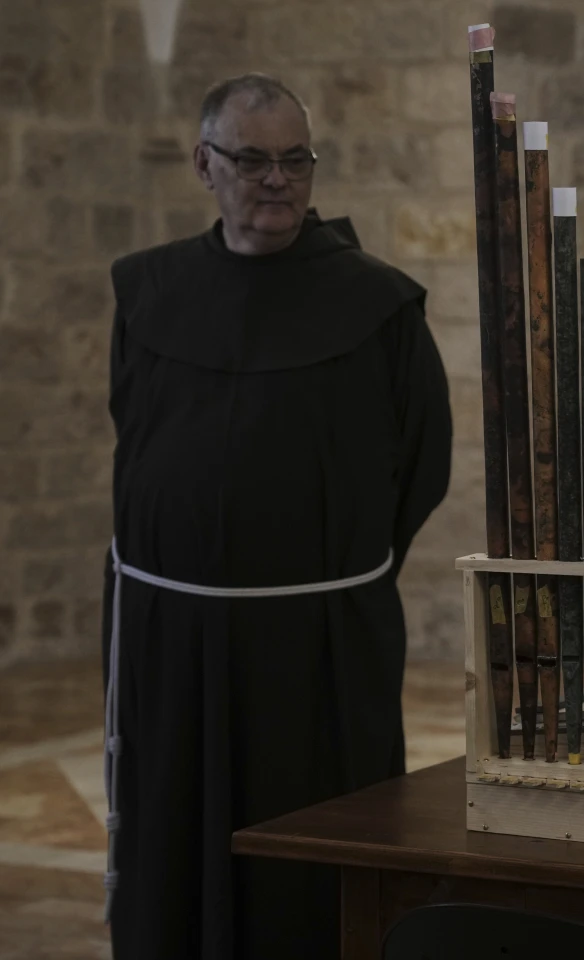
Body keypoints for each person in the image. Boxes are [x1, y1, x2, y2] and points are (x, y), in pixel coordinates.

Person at [103, 73, 451, 959]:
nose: (277, 180)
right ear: (203, 164)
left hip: (314, 637)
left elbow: (421, 465)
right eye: (253, 160)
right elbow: (135, 432)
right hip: (169, 632)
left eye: (296, 160)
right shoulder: (146, 292)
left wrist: (321, 564)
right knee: (172, 836)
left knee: (306, 865)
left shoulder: (379, 306)